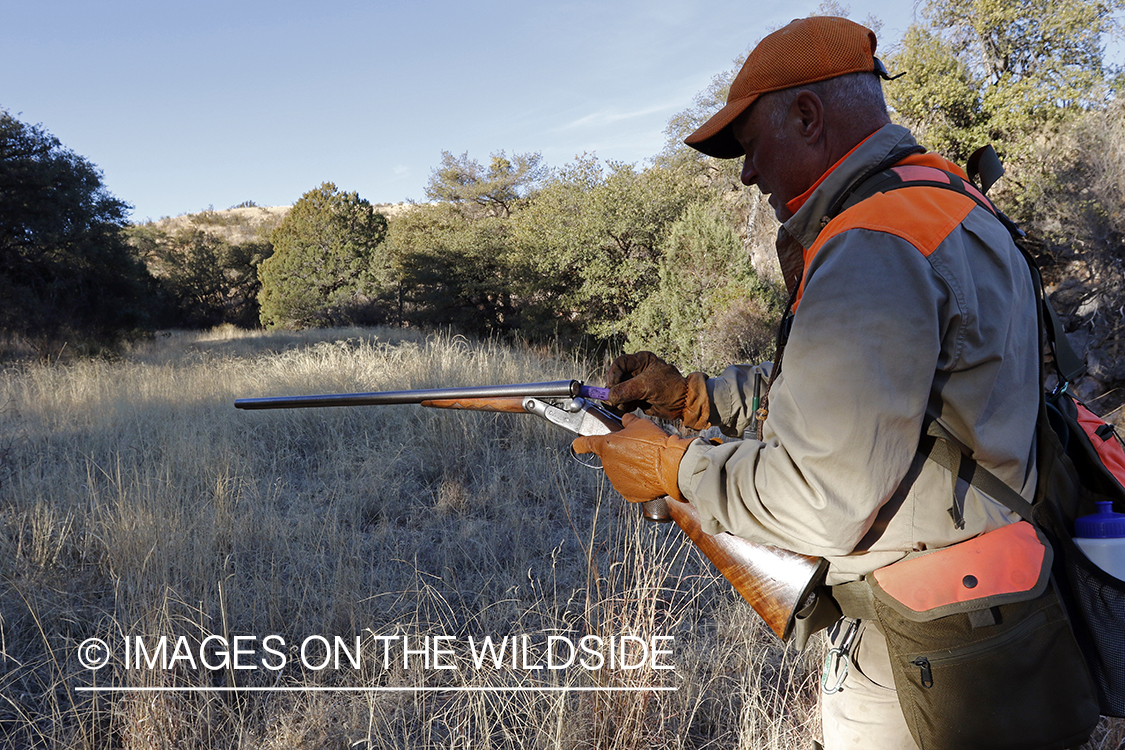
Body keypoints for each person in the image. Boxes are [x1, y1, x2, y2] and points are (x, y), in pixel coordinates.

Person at [571, 16, 1086, 750]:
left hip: (917, 648)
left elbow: (821, 498)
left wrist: (672, 465)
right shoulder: (941, 198)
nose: (746, 174)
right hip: (994, 606)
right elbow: (890, 396)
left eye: (750, 149)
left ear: (807, 117)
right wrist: (694, 398)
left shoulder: (870, 242)